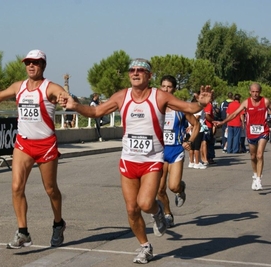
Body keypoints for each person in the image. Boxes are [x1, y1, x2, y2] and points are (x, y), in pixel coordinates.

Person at [58, 58, 213, 264]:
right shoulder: (122, 96)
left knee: (145, 203)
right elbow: (96, 112)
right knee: (131, 209)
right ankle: (145, 247)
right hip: (128, 160)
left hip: (152, 160)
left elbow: (189, 108)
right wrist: (75, 106)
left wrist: (201, 104)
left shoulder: (160, 96)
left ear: (149, 76)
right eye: (132, 70)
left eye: (141, 70)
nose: (136, 72)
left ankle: (157, 211)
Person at [0, 49, 67, 248]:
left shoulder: (49, 88)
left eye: (36, 62)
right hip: (23, 144)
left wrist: (66, 99)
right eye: (28, 62)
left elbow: (62, 95)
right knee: (16, 187)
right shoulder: (19, 86)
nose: (31, 66)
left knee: (50, 189)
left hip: (46, 145)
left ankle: (58, 224)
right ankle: (23, 232)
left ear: (43, 66)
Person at [157, 75, 200, 228]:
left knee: (173, 186)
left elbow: (196, 125)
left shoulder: (180, 108)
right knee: (159, 189)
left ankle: (180, 189)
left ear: (174, 89)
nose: (166, 89)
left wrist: (189, 141)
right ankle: (168, 214)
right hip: (160, 152)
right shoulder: (157, 108)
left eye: (169, 87)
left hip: (176, 150)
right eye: (163, 86)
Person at [214, 82, 269, 191]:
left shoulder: (266, 101)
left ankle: (259, 179)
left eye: (257, 92)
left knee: (259, 155)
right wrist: (222, 122)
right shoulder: (246, 103)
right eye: (253, 92)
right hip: (251, 132)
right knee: (253, 156)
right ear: (250, 92)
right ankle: (255, 175)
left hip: (263, 131)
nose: (255, 94)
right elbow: (234, 114)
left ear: (260, 92)